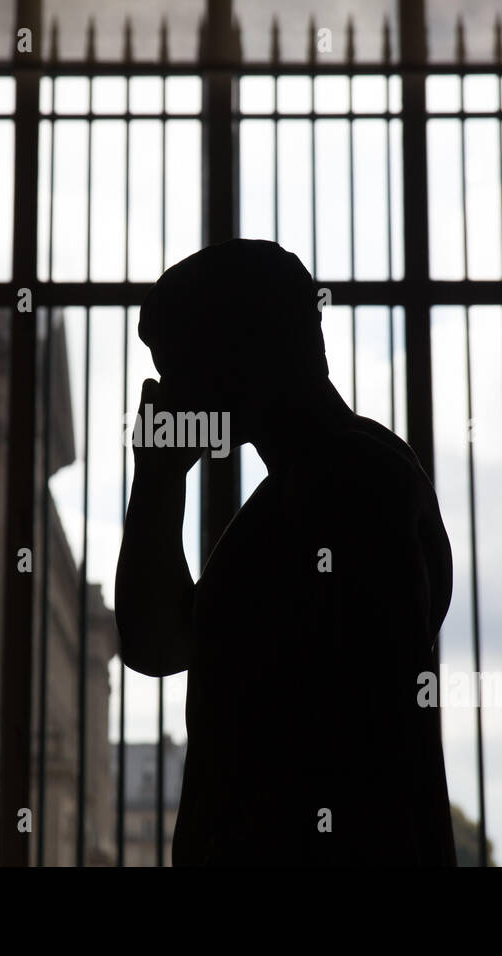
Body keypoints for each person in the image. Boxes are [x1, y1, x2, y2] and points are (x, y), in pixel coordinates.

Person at [115, 238, 457, 866]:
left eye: (178, 362)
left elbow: (160, 645)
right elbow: (158, 644)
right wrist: (160, 474)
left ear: (236, 349)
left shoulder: (347, 481)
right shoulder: (338, 479)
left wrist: (158, 478)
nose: (168, 387)